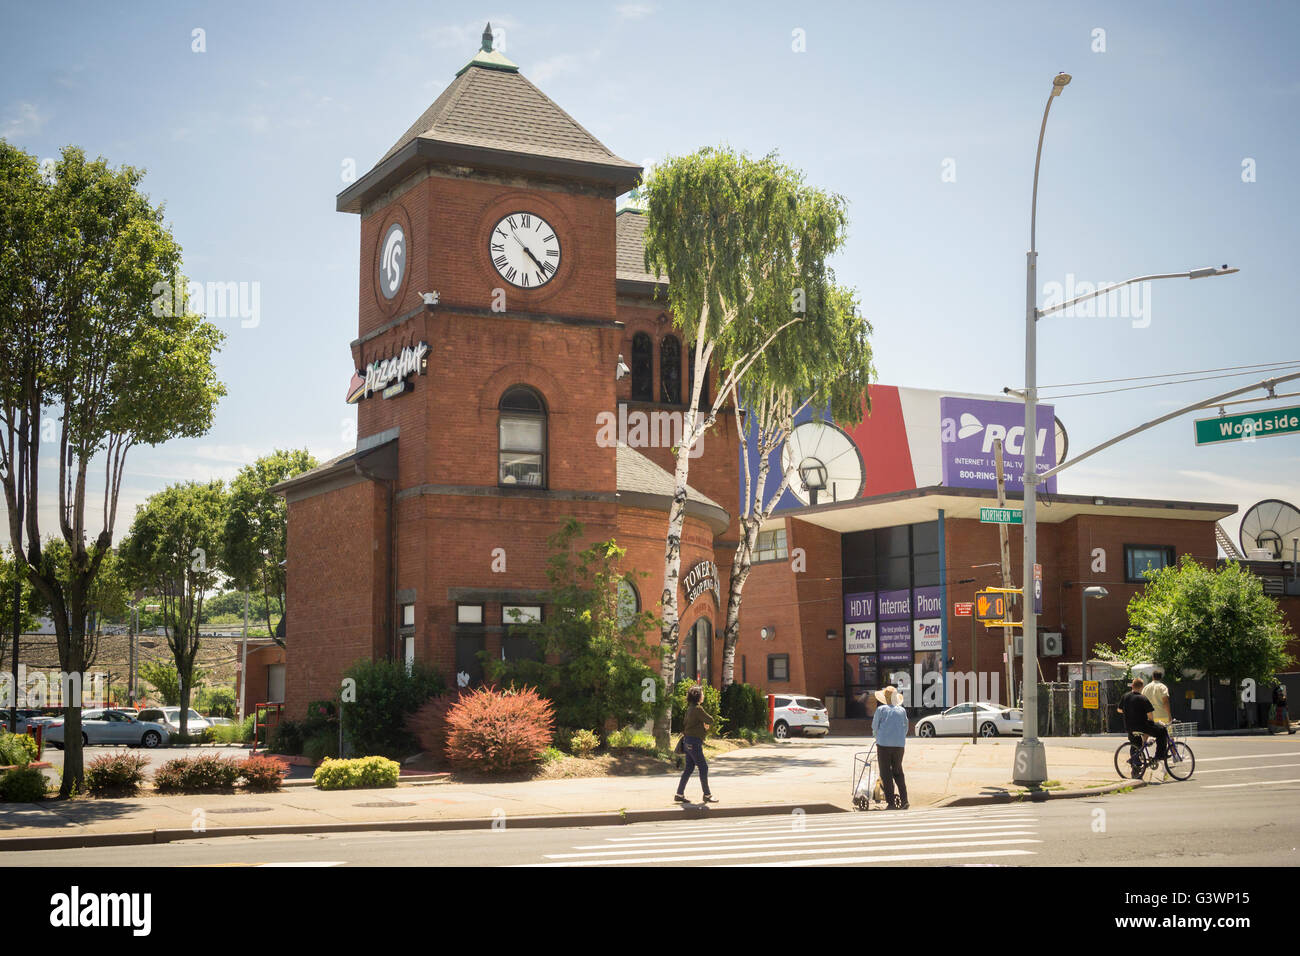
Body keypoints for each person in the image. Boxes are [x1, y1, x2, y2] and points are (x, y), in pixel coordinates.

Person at [675, 685, 718, 804]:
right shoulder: (698, 709)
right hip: (694, 743)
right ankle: (707, 795)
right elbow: (710, 720)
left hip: (687, 742)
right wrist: (705, 724)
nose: (703, 695)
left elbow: (688, 723)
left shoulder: (690, 708)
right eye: (702, 694)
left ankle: (679, 794)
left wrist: (702, 725)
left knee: (689, 768)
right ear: (698, 696)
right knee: (703, 767)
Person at [1120, 677, 1168, 778]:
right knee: (1162, 731)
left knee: (1135, 744)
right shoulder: (1143, 698)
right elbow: (1150, 715)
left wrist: (1129, 712)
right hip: (1143, 726)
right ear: (1142, 687)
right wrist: (1152, 723)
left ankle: (1136, 768)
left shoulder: (1125, 697)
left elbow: (1119, 710)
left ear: (1132, 686)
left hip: (1129, 727)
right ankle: (1159, 756)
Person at [871, 684, 909, 810]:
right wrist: (899, 738)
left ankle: (891, 803)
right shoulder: (902, 710)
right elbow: (905, 727)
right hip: (899, 746)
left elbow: (875, 727)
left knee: (886, 773)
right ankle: (904, 800)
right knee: (898, 771)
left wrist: (877, 738)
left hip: (883, 745)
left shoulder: (881, 710)